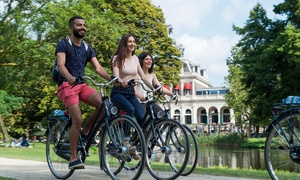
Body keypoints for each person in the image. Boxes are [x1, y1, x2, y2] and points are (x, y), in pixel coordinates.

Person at [55, 15, 111, 169]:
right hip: (66, 85)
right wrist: (69, 77)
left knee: (104, 104)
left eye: (84, 25)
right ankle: (73, 158)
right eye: (79, 25)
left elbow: (98, 68)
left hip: (82, 85)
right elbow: (61, 64)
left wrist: (113, 79)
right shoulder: (63, 44)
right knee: (77, 118)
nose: (82, 28)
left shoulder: (87, 48)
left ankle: (85, 131)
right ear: (71, 28)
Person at [110, 34, 153, 159]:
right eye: (129, 41)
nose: (132, 44)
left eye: (134, 41)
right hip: (118, 93)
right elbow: (116, 76)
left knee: (142, 118)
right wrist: (120, 81)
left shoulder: (135, 59)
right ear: (124, 43)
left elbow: (144, 77)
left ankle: (134, 146)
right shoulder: (117, 58)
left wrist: (155, 88)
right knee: (130, 109)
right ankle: (126, 142)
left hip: (130, 93)